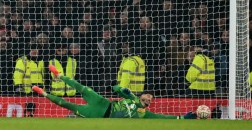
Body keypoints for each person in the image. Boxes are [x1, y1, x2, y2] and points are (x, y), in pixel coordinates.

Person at [33, 65, 197, 119]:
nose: (149, 99)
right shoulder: (132, 97)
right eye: (148, 96)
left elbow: (163, 118)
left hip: (99, 115)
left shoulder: (143, 114)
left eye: (151, 99)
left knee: (69, 105)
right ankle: (59, 74)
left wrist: (183, 117)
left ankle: (44, 93)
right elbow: (116, 88)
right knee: (82, 87)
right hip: (104, 103)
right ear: (142, 95)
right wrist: (120, 88)